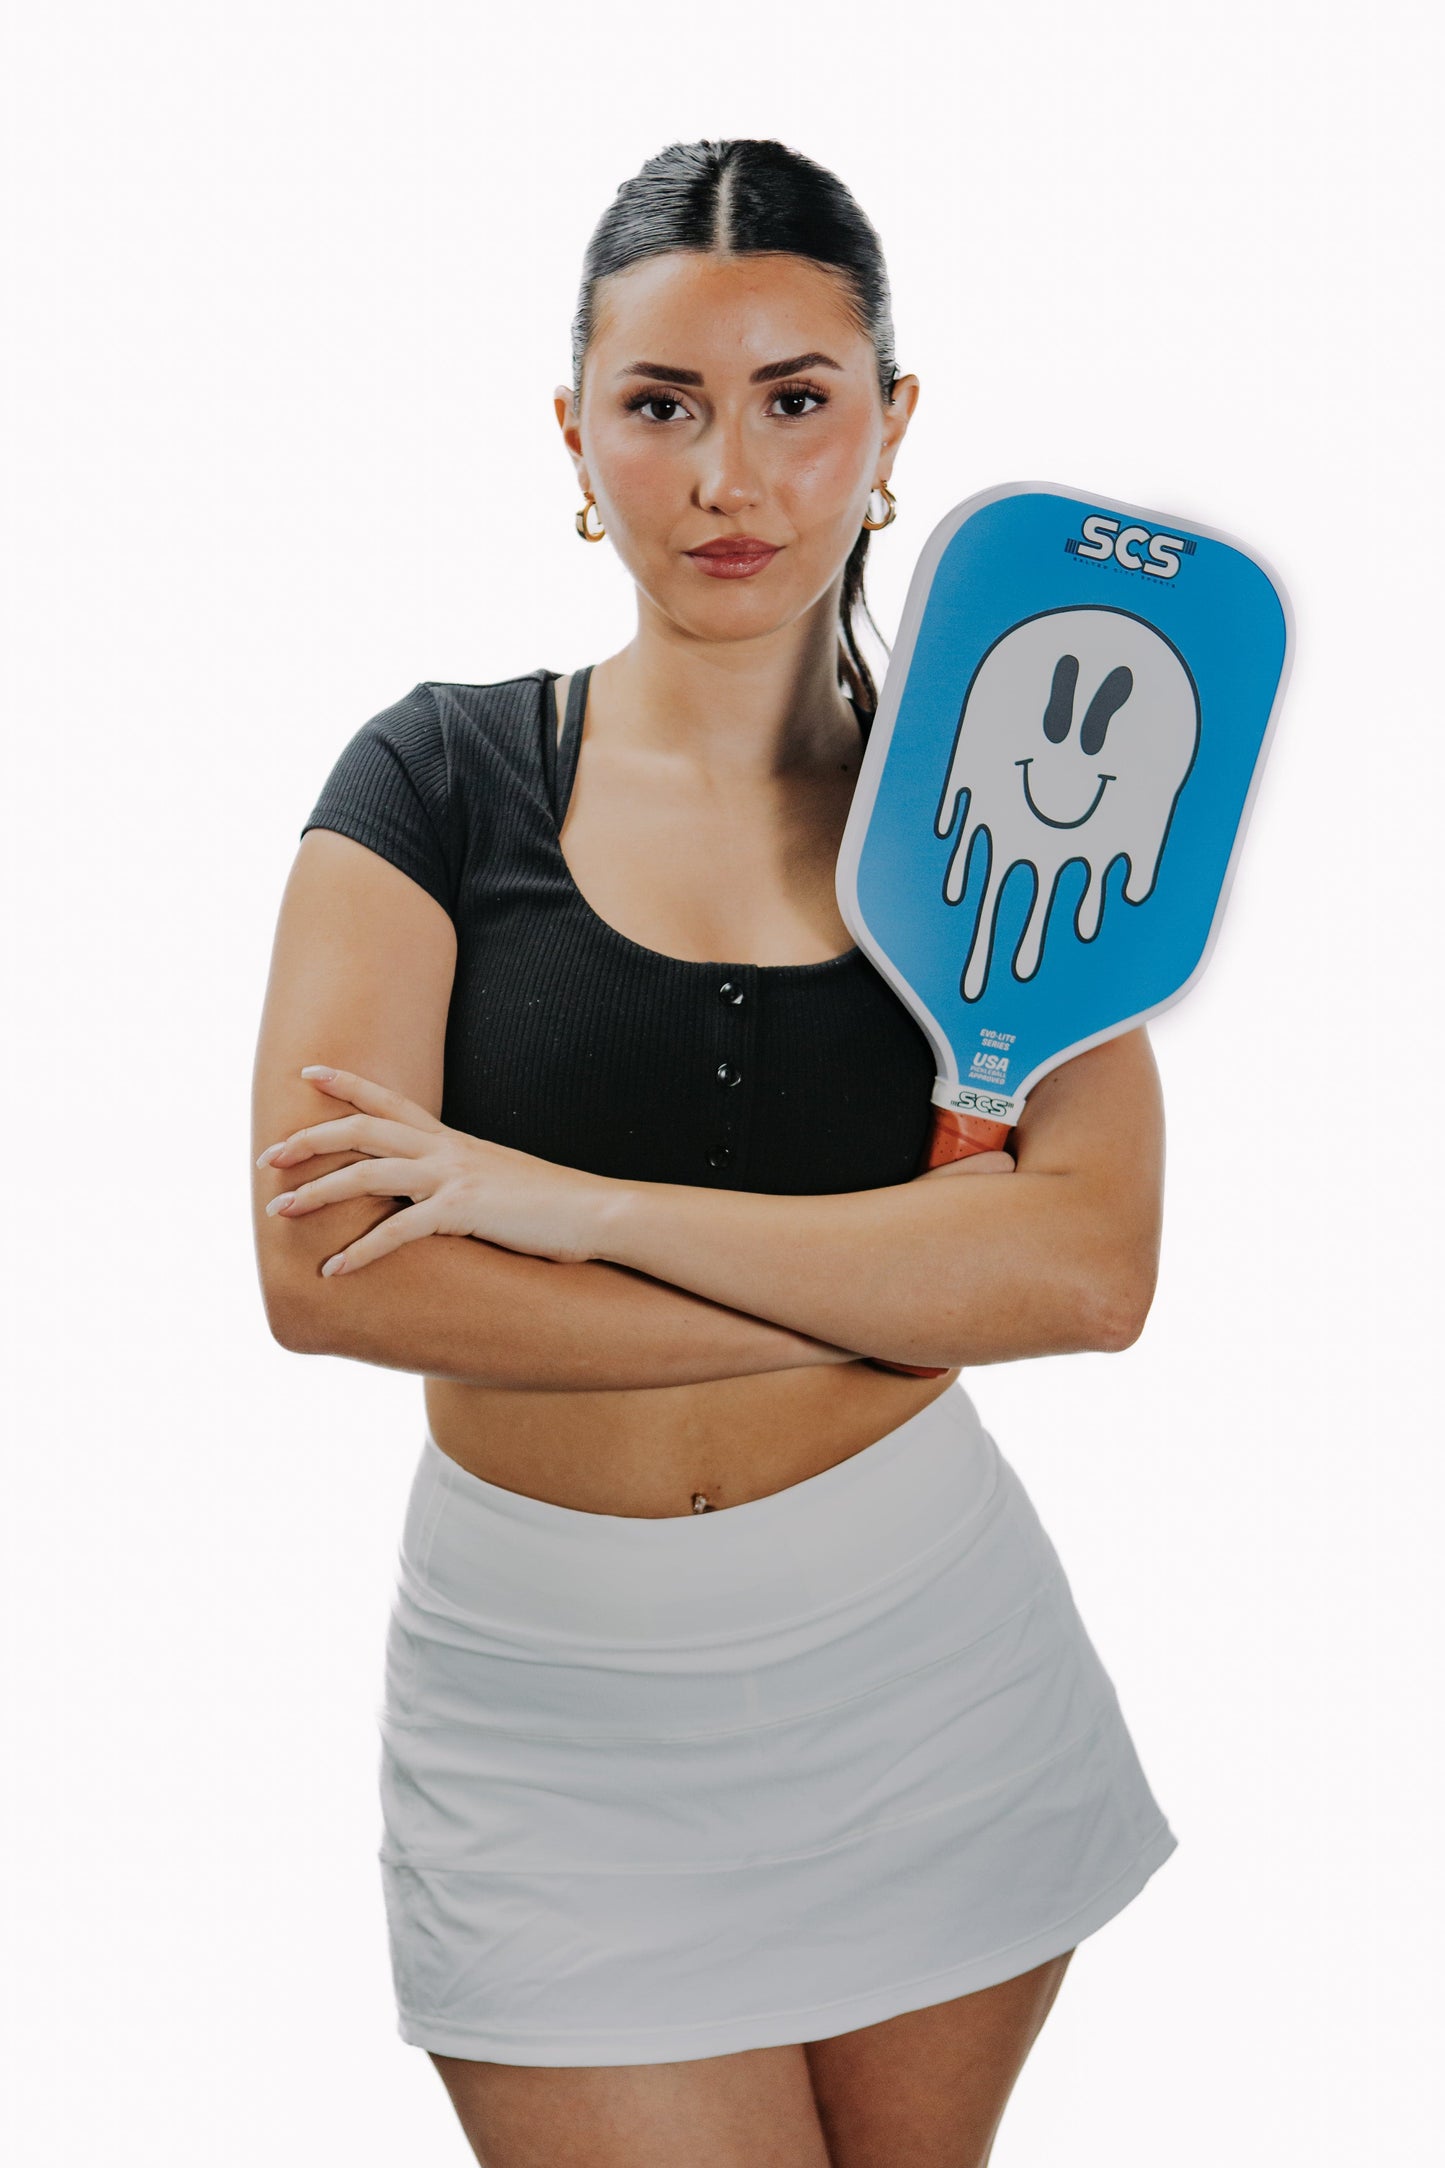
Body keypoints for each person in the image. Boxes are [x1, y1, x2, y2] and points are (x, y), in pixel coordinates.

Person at [250, 138, 1177, 2168]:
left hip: (928, 1672)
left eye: (796, 399)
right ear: (575, 427)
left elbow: (1089, 1273)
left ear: (890, 423)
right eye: (660, 403)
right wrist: (895, 1290)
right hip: (548, 1722)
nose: (727, 477)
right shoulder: (435, 776)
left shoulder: (1012, 824)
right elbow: (334, 1275)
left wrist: (566, 1218)